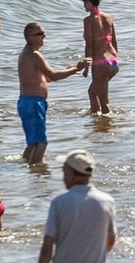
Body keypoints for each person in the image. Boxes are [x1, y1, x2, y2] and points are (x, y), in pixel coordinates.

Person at [18, 22, 88, 163]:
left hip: (27, 102)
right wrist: (76, 69)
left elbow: (47, 78)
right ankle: (37, 175)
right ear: (29, 37)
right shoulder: (34, 55)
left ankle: (26, 170)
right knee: (41, 143)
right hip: (33, 103)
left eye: (43, 33)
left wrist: (70, 70)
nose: (43, 36)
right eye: (39, 34)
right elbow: (54, 75)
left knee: (33, 143)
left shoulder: (26, 54)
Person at [37, 149, 117, 263]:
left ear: (70, 173)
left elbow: (46, 249)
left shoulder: (59, 202)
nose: (63, 177)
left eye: (64, 172)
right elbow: (110, 241)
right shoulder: (107, 201)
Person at [82, 0, 118, 114]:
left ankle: (109, 126)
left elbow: (89, 45)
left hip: (100, 63)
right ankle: (97, 123)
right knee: (92, 92)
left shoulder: (88, 21)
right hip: (113, 62)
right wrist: (116, 60)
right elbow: (114, 41)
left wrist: (86, 67)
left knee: (104, 101)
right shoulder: (108, 17)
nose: (84, 6)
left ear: (90, 3)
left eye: (85, 3)